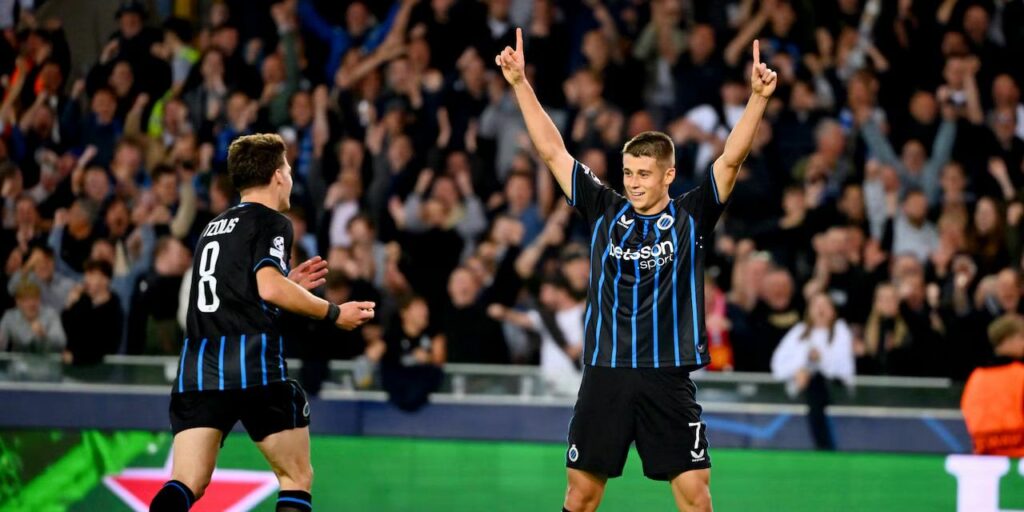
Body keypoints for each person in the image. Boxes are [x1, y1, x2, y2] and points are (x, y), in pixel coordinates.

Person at [495, 29, 777, 512]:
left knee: (696, 498)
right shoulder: (603, 208)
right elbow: (552, 152)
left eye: (644, 173)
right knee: (581, 496)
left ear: (669, 174)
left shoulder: (691, 215)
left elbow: (731, 158)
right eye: (628, 173)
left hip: (667, 375)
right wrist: (521, 83)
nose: (634, 182)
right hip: (605, 373)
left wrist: (756, 98)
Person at [149, 134, 376, 512]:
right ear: (276, 176)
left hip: (198, 372)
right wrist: (333, 312)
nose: (289, 176)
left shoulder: (212, 228)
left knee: (186, 481)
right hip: (251, 366)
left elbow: (237, 295)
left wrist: (291, 286)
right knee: (295, 477)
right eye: (286, 168)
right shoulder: (272, 221)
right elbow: (268, 287)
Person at [770, 293, 855, 450]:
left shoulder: (841, 331)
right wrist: (798, 369)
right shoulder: (799, 332)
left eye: (825, 306)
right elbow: (777, 364)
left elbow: (845, 369)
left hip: (834, 390)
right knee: (811, 385)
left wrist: (819, 361)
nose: (820, 310)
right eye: (816, 306)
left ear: (833, 311)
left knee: (816, 383)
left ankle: (824, 445)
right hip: (800, 390)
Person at [961, 314, 1024, 456]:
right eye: (1021, 338)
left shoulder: (976, 377)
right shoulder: (1020, 375)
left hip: (984, 458)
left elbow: (968, 413)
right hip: (1018, 458)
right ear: (1007, 339)